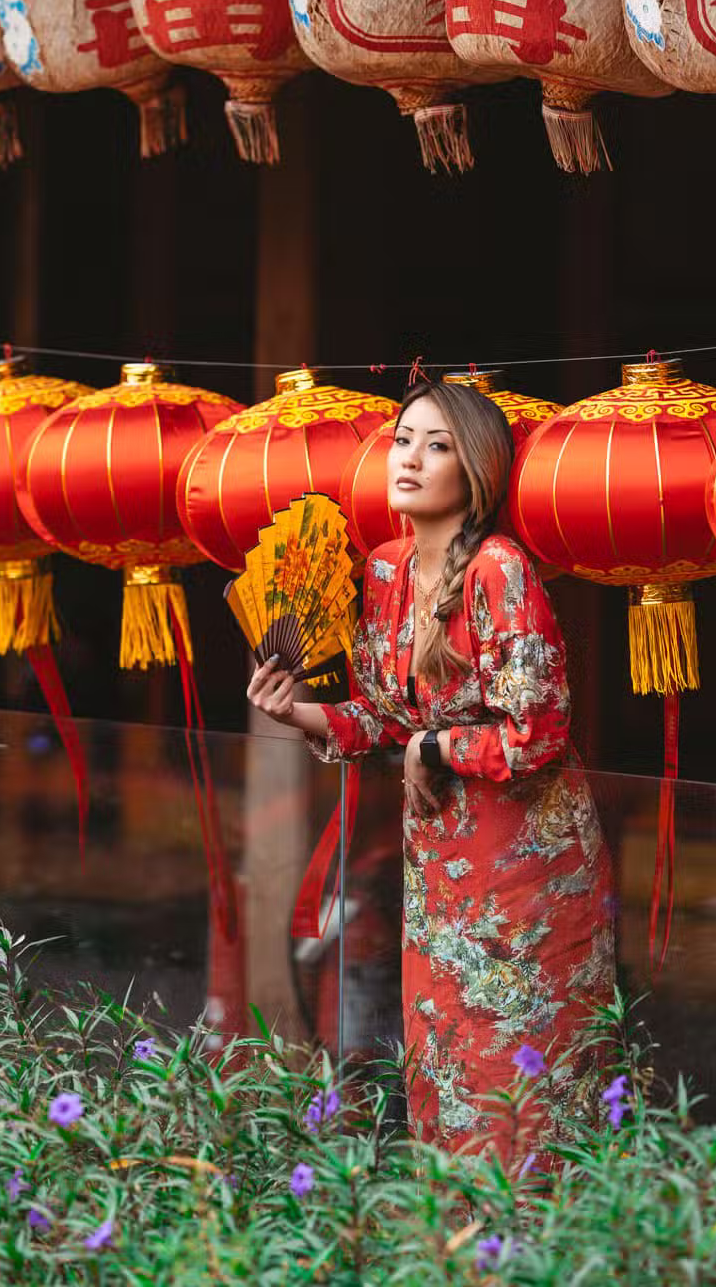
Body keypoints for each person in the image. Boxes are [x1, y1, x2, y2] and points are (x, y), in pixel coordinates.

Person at [248, 380, 616, 1167]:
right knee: (443, 1051)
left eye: (437, 445)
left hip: (528, 863)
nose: (410, 458)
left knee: (521, 1069)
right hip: (441, 857)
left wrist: (435, 750)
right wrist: (296, 711)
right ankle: (453, 1243)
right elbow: (383, 716)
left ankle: (535, 1248)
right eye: (403, 439)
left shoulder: (499, 569)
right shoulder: (383, 572)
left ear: (475, 470)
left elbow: (537, 732)